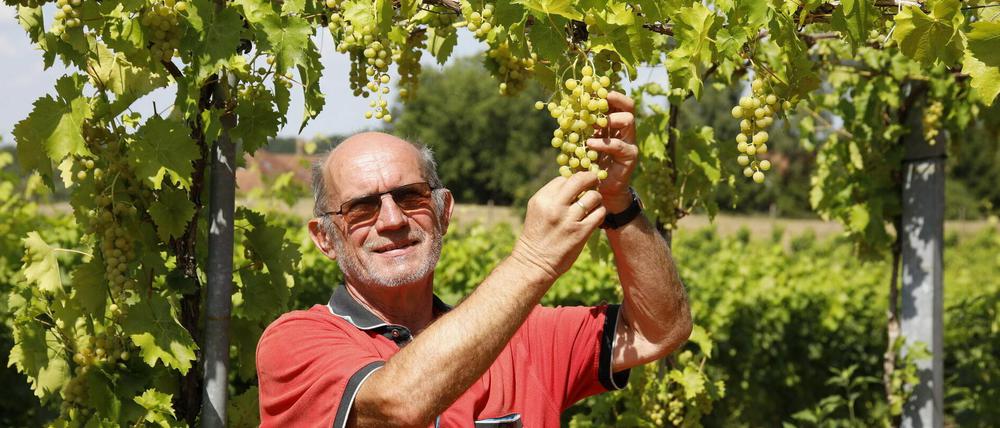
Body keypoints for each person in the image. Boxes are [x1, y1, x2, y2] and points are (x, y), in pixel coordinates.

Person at [256, 92, 691, 427]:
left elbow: (659, 330)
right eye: (361, 208)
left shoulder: (523, 335)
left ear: (444, 212)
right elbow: (395, 406)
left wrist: (619, 203)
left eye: (411, 196)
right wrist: (534, 261)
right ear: (324, 238)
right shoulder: (296, 342)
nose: (392, 220)